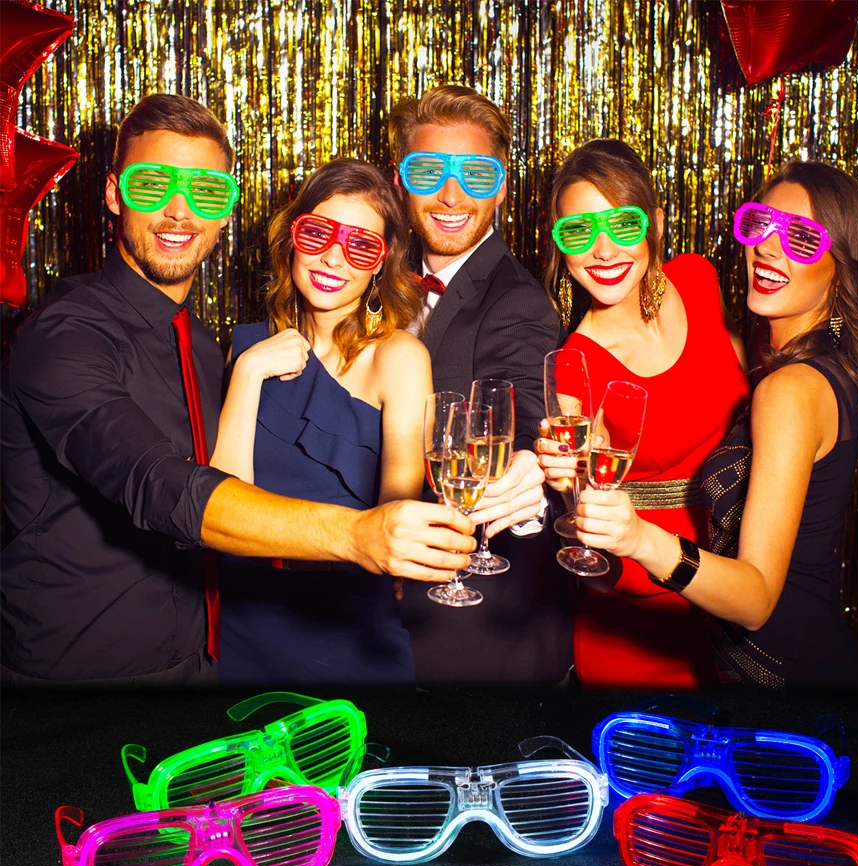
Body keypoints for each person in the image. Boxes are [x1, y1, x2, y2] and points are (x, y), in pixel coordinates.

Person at [0, 94, 474, 686]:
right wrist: (356, 533)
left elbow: (397, 503)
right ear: (114, 194)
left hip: (209, 659)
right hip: (83, 674)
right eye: (152, 185)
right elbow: (157, 483)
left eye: (205, 192)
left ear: (226, 210)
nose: (180, 211)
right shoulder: (65, 334)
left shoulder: (202, 345)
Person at [569, 160, 858, 688]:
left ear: (842, 265)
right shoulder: (812, 365)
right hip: (771, 669)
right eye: (760, 224)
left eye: (802, 238)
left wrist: (639, 538)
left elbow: (755, 600)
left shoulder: (788, 390)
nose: (769, 247)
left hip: (789, 686)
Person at [536, 139, 749, 689]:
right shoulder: (575, 363)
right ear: (559, 243)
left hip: (741, 571)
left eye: (623, 225)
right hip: (643, 602)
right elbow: (580, 486)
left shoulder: (698, 279)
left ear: (654, 222)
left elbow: (750, 393)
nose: (603, 250)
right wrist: (566, 478)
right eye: (579, 232)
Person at [212, 159, 431, 683]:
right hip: (244, 623)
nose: (334, 256)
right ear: (293, 237)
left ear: (381, 263)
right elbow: (222, 506)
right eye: (318, 233)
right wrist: (248, 372)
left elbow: (399, 509)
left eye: (361, 245)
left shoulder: (399, 357)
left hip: (352, 632)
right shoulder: (248, 349)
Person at [388, 84, 571, 684]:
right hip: (385, 626)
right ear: (399, 180)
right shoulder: (379, 280)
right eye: (428, 171)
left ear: (501, 185)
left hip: (485, 640)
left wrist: (526, 466)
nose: (451, 195)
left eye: (475, 173)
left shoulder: (518, 300)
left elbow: (526, 405)